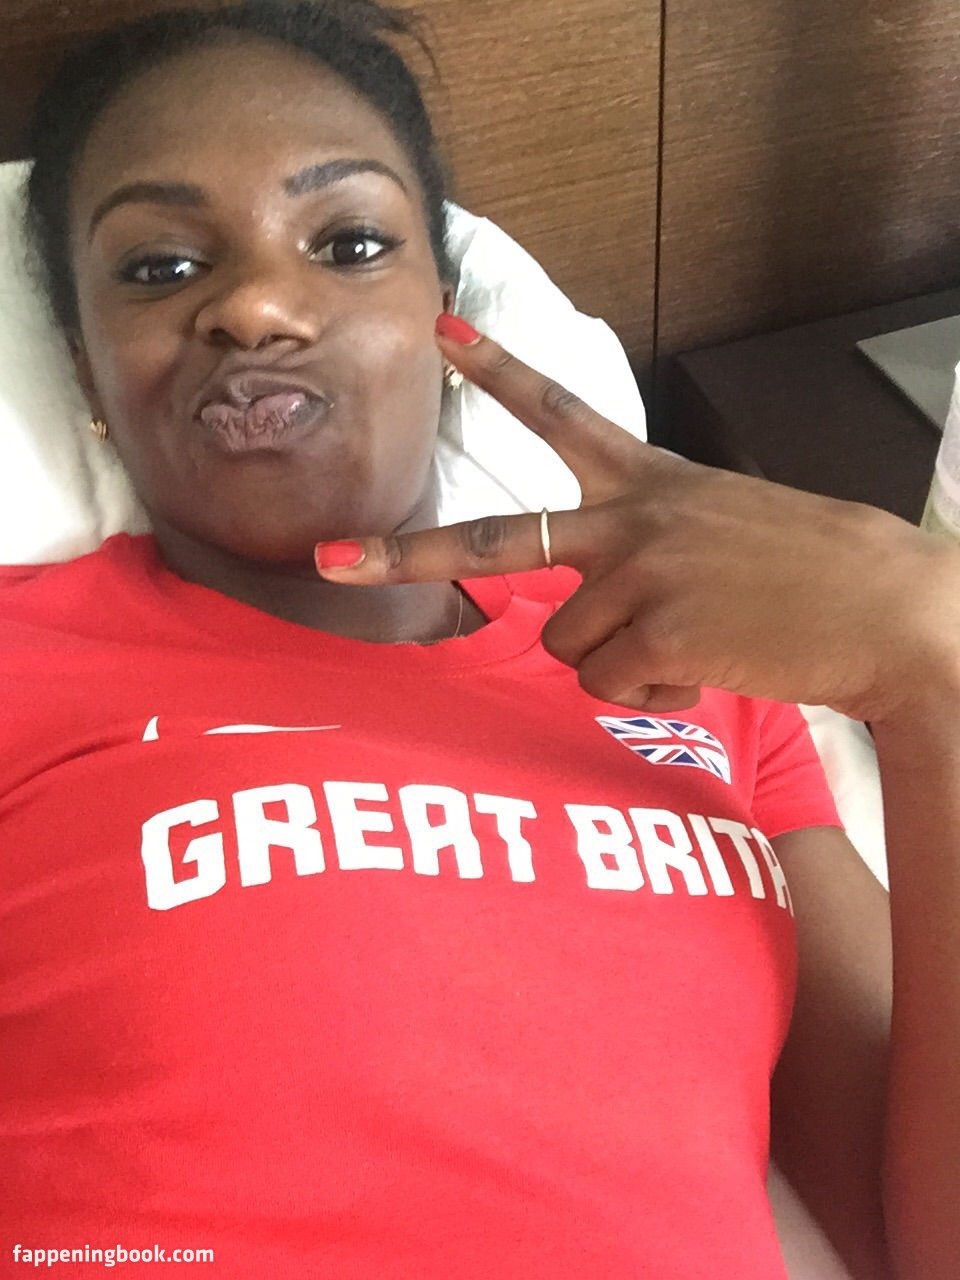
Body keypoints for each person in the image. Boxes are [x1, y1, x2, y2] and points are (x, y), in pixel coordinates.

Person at [2, 2, 958, 1276]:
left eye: (349, 243)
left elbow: (922, 1237)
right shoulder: (24, 664)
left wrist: (931, 659)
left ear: (444, 318)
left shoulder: (695, 663)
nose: (259, 306)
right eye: (161, 268)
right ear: (83, 367)